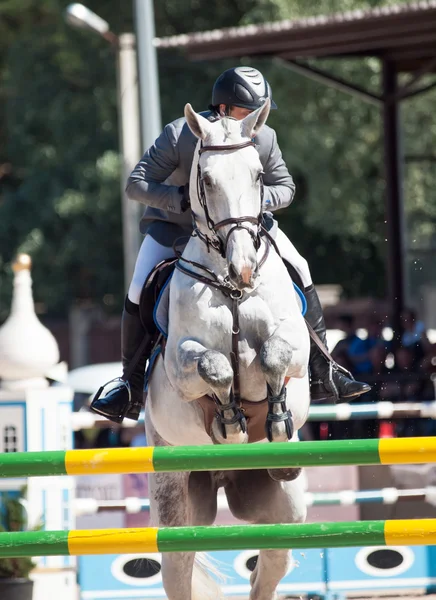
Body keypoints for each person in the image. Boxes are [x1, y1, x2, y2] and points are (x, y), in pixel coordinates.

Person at [91, 66, 370, 424]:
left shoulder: (263, 137)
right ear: (221, 109)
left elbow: (286, 188)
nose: (252, 122)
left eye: (257, 115)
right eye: (244, 113)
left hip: (248, 229)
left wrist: (246, 202)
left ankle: (324, 369)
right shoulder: (180, 135)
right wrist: (182, 199)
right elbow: (137, 183)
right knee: (137, 288)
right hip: (174, 231)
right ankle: (128, 385)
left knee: (299, 265)